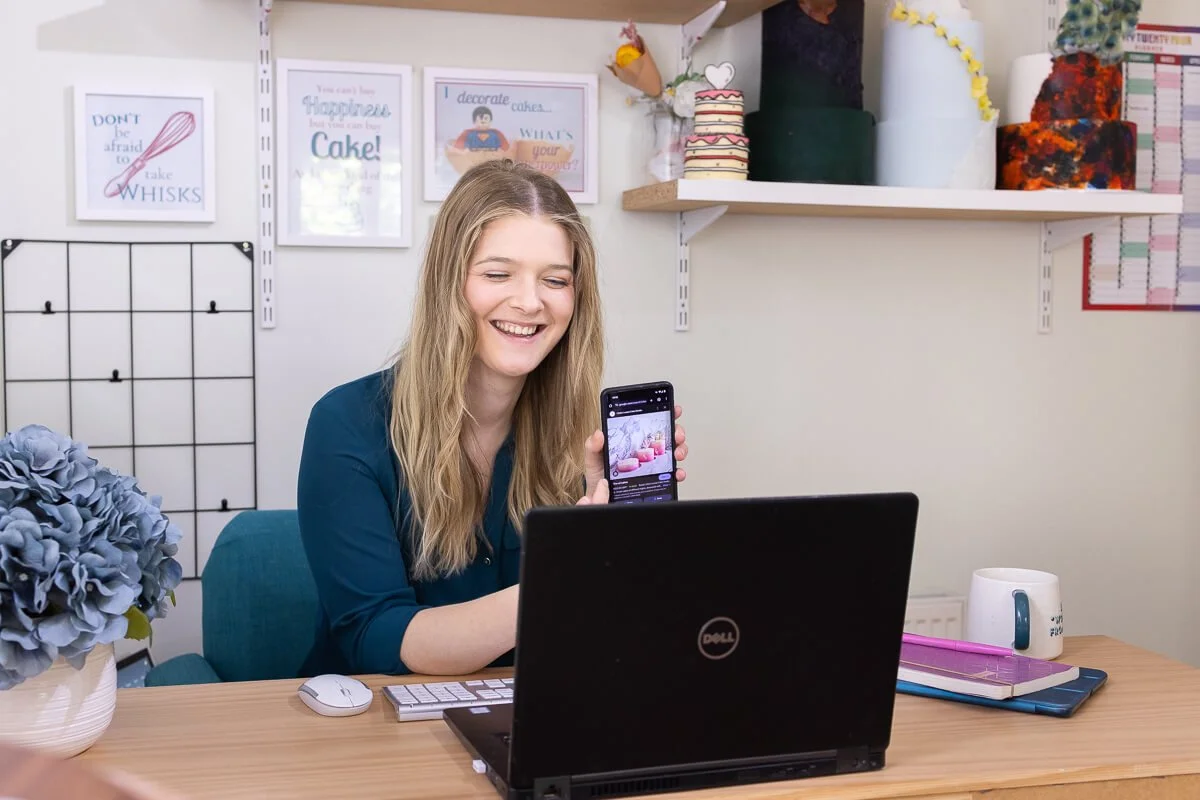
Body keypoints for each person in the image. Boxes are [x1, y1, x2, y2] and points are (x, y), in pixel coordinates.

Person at [296, 159, 688, 677]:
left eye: (555, 279)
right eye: (498, 274)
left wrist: (611, 541)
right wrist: (564, 570)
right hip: (372, 729)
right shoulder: (345, 425)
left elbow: (621, 637)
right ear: (449, 283)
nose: (529, 302)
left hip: (531, 722)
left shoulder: (587, 441)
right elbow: (376, 636)